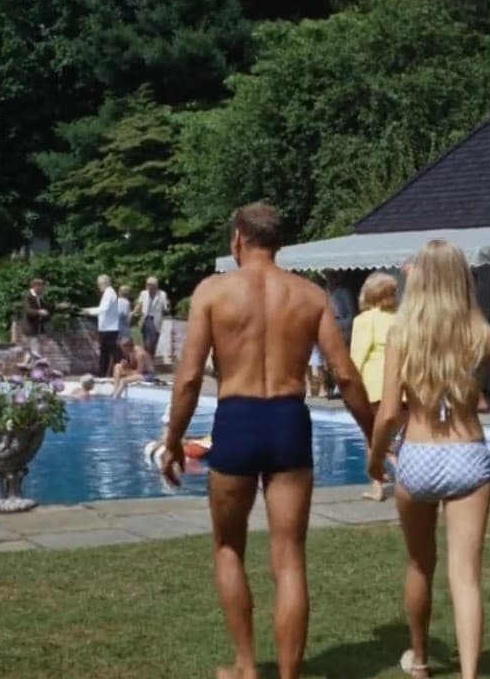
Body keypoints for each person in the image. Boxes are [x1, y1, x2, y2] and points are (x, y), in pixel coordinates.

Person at [159, 202, 373, 679]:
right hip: (287, 419)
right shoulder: (310, 294)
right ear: (279, 243)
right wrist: (374, 437)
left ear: (238, 238)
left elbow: (189, 377)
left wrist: (172, 439)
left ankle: (245, 666)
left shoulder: (212, 291)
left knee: (228, 547)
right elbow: (345, 375)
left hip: (237, 419)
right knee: (290, 557)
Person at [367, 239, 490, 679]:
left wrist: (375, 460)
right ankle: (469, 674)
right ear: (461, 279)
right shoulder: (481, 334)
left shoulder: (401, 334)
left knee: (419, 564)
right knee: (465, 574)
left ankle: (418, 660)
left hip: (418, 454)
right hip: (467, 454)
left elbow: (389, 413)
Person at [349, 271, 398, 501]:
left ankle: (378, 485)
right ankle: (400, 476)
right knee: (389, 438)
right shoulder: (401, 319)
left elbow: (356, 358)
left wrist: (350, 391)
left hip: (375, 388)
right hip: (401, 389)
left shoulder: (364, 320)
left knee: (372, 438)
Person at [324, 270, 358, 399]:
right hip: (331, 328)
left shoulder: (344, 293)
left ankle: (343, 387)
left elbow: (351, 314)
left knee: (342, 358)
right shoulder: (327, 293)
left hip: (342, 328)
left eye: (331, 277)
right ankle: (336, 385)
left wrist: (341, 325)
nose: (329, 280)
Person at [89, 275, 121, 376]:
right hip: (107, 328)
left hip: (109, 328)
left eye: (99, 284)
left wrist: (89, 311)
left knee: (109, 352)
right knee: (105, 352)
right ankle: (103, 372)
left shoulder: (109, 293)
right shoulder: (108, 293)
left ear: (104, 283)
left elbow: (103, 309)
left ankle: (106, 372)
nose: (98, 286)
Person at [134, 276, 171, 356]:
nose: (148, 286)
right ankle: (148, 357)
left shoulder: (162, 294)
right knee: (146, 341)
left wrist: (167, 306)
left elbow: (166, 308)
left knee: (153, 341)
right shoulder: (143, 293)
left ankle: (151, 356)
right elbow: (139, 304)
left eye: (150, 284)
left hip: (155, 320)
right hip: (145, 319)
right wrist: (136, 310)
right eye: (147, 284)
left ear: (155, 286)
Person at [20, 278, 49, 358]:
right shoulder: (28, 296)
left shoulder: (38, 296)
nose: (42, 288)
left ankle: (30, 362)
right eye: (41, 286)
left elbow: (45, 306)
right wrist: (39, 312)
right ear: (35, 286)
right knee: (32, 350)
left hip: (37, 326)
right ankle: (29, 362)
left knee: (34, 350)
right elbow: (28, 310)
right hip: (29, 325)